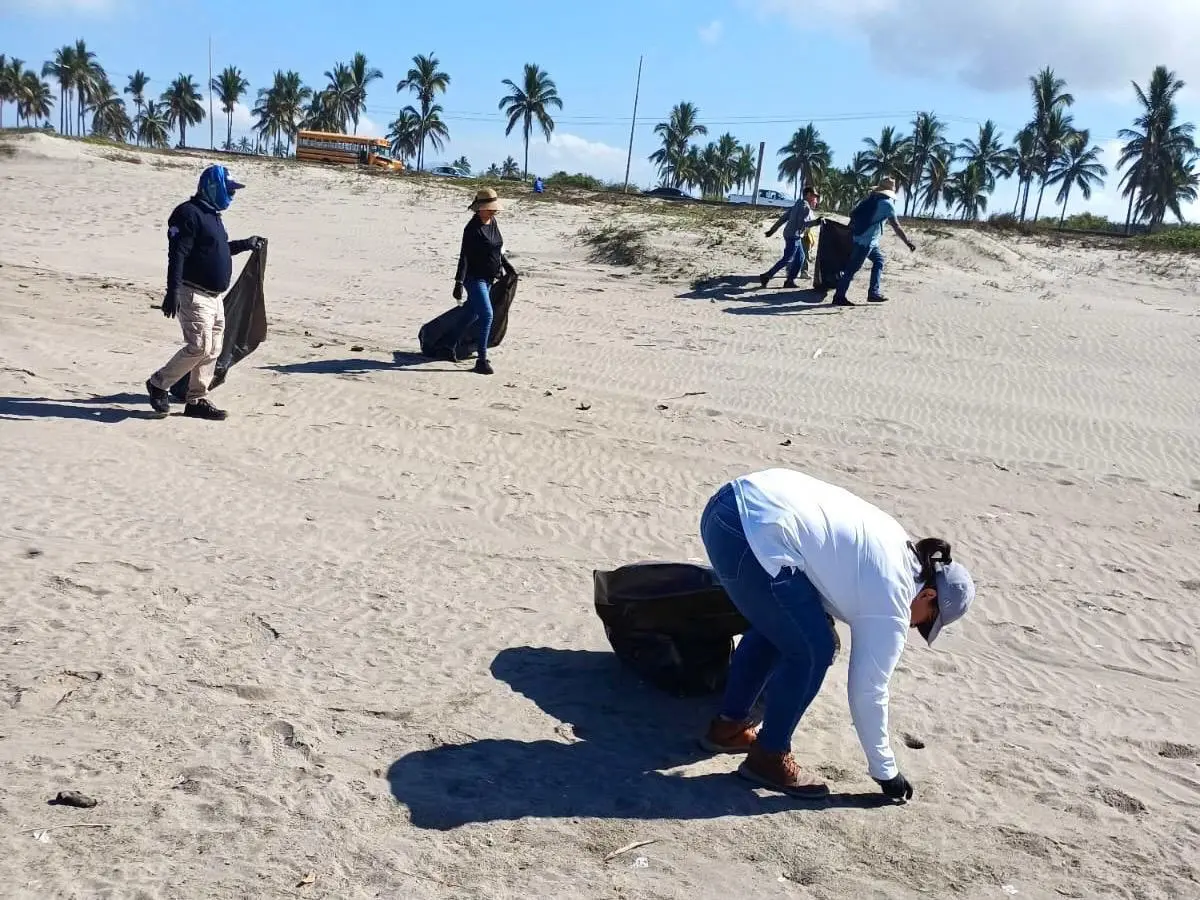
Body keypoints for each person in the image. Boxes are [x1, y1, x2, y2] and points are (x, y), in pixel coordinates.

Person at [696, 468, 976, 800]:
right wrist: (886, 772)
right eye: (926, 621)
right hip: (750, 533)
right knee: (814, 649)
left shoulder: (896, 546)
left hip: (727, 505)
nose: (914, 627)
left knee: (785, 628)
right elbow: (868, 691)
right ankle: (769, 756)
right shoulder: (894, 599)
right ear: (928, 595)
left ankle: (728, 727)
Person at [145, 165, 263, 420]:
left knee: (213, 349)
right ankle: (158, 384)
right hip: (193, 293)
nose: (232, 194)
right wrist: (172, 291)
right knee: (198, 346)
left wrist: (245, 245)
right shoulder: (188, 213)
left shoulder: (212, 216)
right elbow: (177, 254)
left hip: (214, 298)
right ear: (213, 186)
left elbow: (216, 250)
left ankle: (196, 399)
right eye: (229, 189)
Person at [451, 187, 517, 375]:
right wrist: (459, 282)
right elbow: (464, 257)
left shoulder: (493, 222)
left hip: (489, 278)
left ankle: (447, 344)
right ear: (480, 208)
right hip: (474, 279)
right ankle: (481, 360)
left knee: (471, 314)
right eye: (490, 207)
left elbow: (497, 249)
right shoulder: (472, 229)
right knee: (487, 314)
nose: (494, 210)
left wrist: (507, 266)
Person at [831, 177, 914, 307]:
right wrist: (907, 242)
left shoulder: (870, 200)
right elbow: (896, 226)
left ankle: (873, 293)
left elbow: (853, 215)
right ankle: (839, 297)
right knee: (851, 269)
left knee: (879, 261)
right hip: (866, 242)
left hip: (862, 239)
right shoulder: (887, 205)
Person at [760, 186, 823, 289]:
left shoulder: (797, 203)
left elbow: (783, 218)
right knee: (787, 258)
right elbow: (801, 224)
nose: (815, 198)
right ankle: (767, 276)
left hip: (790, 234)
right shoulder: (805, 206)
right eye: (813, 196)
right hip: (794, 236)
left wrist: (772, 230)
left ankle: (789, 281)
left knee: (800, 258)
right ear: (808, 195)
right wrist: (816, 222)